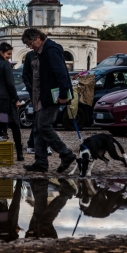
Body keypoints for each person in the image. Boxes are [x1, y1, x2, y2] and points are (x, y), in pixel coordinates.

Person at [21, 28, 76, 172]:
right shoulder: (40, 52)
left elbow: (61, 73)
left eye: (31, 43)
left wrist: (63, 95)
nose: (30, 46)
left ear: (38, 37)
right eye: (28, 44)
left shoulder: (51, 50)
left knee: (44, 126)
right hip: (40, 96)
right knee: (38, 128)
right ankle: (41, 162)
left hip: (52, 96)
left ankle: (66, 154)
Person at [0, 42, 24, 161]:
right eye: (8, 54)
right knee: (15, 127)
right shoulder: (6, 65)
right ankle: (19, 154)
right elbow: (10, 84)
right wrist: (16, 99)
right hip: (6, 100)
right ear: (1, 52)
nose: (9, 56)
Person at [22, 50, 52, 155]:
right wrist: (31, 88)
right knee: (39, 119)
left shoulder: (49, 52)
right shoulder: (30, 55)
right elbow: (25, 74)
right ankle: (36, 145)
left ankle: (37, 144)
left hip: (47, 91)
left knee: (43, 120)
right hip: (35, 92)